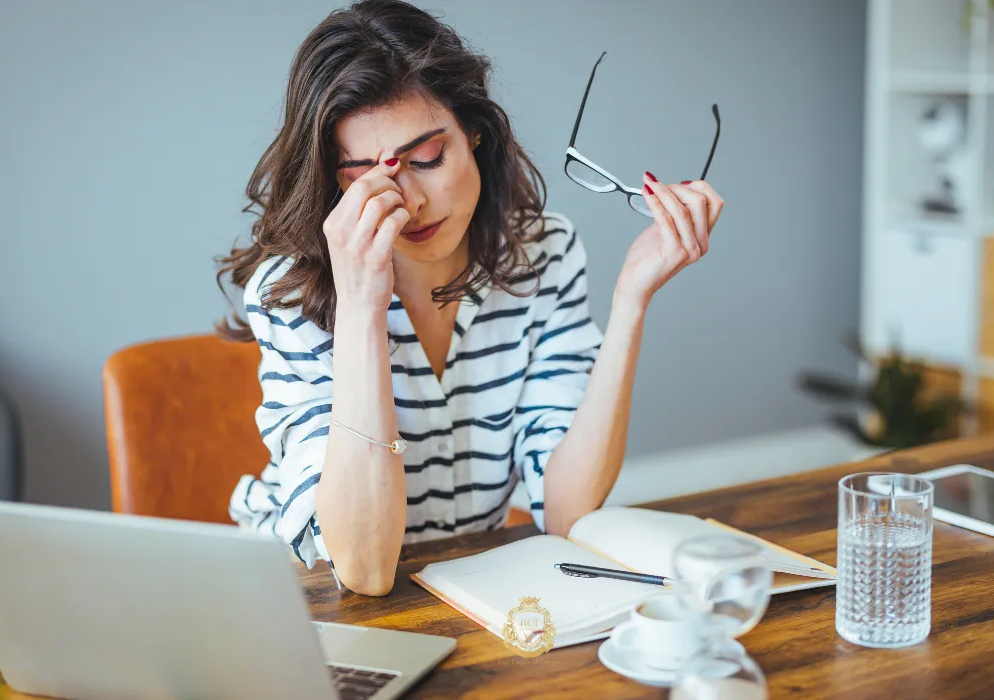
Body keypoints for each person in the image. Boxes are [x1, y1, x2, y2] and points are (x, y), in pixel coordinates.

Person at [218, 0, 723, 596]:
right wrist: (360, 308)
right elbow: (365, 568)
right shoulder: (291, 294)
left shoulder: (542, 254)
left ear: (475, 131)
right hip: (305, 599)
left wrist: (631, 301)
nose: (411, 202)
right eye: (366, 178)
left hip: (465, 591)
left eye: (428, 159)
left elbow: (566, 515)